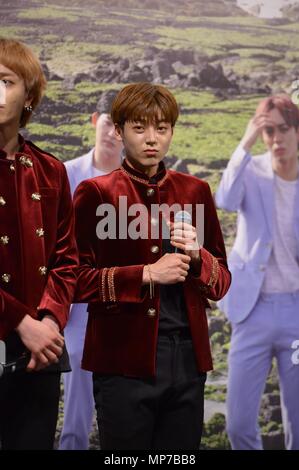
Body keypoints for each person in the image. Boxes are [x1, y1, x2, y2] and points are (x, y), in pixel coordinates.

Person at [73, 82, 231, 450]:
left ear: (172, 131)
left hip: (188, 361)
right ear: (119, 130)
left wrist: (197, 258)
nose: (151, 139)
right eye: (139, 127)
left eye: (162, 128)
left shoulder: (195, 191)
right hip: (121, 362)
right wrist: (146, 274)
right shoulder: (96, 192)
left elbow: (221, 282)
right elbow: (75, 281)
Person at [0, 38, 78, 450]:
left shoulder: (51, 170)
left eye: (6, 81)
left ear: (28, 95)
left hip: (39, 358)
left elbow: (67, 259)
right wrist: (20, 321)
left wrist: (48, 323)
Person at [215, 94, 299, 450]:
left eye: (283, 130)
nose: (276, 139)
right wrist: (247, 140)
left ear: (298, 131)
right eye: (269, 131)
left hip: (297, 314)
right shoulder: (252, 171)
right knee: (237, 425)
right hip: (253, 310)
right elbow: (225, 200)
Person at [59, 90, 123, 450]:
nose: (113, 133)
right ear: (94, 120)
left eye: (121, 126)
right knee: (76, 410)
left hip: (125, 303)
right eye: (110, 122)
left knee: (127, 411)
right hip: (78, 307)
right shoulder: (65, 175)